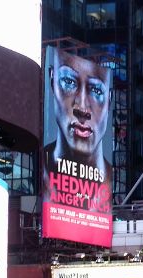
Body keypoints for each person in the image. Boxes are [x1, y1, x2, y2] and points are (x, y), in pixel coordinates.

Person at [43, 48, 114, 207]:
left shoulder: (108, 191)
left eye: (96, 90)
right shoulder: (42, 171)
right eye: (69, 82)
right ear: (52, 80)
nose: (82, 109)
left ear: (109, 100)